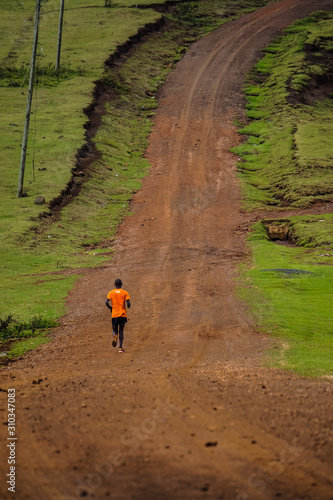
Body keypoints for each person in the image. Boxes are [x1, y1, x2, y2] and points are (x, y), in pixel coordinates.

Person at [105, 279, 131, 353]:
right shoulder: (125, 293)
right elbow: (128, 303)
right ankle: (120, 348)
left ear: (115, 285)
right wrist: (128, 306)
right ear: (121, 284)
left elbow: (106, 302)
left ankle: (115, 335)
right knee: (121, 331)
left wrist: (110, 308)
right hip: (122, 314)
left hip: (114, 314)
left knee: (115, 330)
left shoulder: (111, 293)